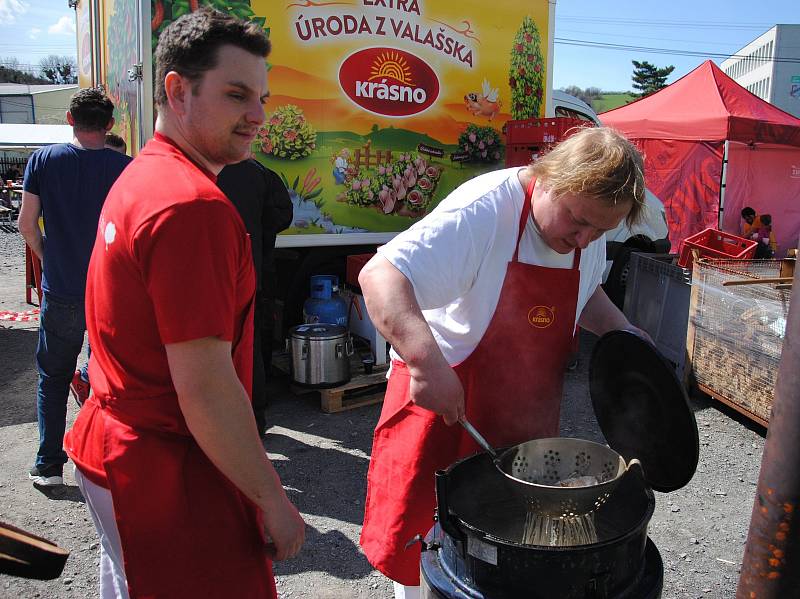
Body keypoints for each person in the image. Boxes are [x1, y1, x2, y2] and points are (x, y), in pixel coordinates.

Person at [63, 9, 304, 598]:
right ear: (178, 90)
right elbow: (206, 386)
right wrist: (271, 497)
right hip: (167, 469)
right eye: (237, 94)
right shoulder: (193, 207)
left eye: (262, 98)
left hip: (118, 447)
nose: (258, 115)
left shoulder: (144, 173)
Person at [358, 127, 650, 598]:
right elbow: (382, 275)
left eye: (600, 230)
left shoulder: (584, 231)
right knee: (427, 547)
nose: (584, 238)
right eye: (577, 221)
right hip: (444, 402)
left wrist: (626, 333)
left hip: (522, 414)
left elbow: (585, 291)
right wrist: (425, 364)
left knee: (511, 548)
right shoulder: (485, 211)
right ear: (552, 178)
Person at [18, 87, 131, 487]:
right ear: (111, 125)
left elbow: (26, 224)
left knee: (53, 375)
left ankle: (49, 465)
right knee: (114, 378)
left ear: (69, 119)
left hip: (63, 288)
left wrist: (49, 258)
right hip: (112, 294)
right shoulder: (127, 169)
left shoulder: (44, 161)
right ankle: (110, 462)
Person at [217, 158, 292, 435]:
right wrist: (260, 228)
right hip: (252, 272)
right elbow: (283, 215)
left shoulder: (196, 166)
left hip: (210, 277)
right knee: (249, 348)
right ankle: (255, 421)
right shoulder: (258, 172)